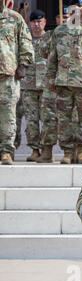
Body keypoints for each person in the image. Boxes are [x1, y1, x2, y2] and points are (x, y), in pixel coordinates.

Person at [46, 3, 82, 164]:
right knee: (64, 119)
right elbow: (52, 58)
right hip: (63, 83)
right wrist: (50, 78)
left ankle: (81, 151)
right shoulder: (59, 32)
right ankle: (67, 151)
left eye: (77, 9)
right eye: (71, 9)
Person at [0, 1, 34, 165]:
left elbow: (26, 42)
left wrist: (23, 65)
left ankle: (6, 151)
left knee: (8, 116)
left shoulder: (15, 18)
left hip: (7, 75)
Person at [35, 7, 70, 163]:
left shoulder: (79, 34)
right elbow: (42, 52)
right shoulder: (50, 35)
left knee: (69, 118)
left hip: (70, 83)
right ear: (56, 19)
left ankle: (70, 153)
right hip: (51, 82)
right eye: (61, 18)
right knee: (48, 118)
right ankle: (47, 151)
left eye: (67, 17)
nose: (63, 20)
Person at [20, 10, 51, 162]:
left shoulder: (51, 39)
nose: (36, 25)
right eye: (33, 22)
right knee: (31, 120)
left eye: (39, 22)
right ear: (30, 23)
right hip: (28, 85)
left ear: (44, 22)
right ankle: (34, 149)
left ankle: (47, 150)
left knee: (47, 119)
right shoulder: (25, 39)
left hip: (46, 86)